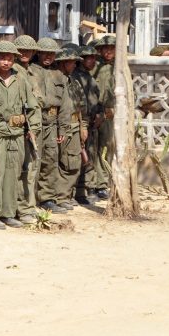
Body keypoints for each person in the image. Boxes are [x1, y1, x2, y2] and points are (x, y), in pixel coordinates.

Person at [0, 41, 40, 229]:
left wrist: (33, 128)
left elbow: (33, 106)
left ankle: (9, 212)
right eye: (2, 58)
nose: (6, 62)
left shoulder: (20, 78)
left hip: (16, 135)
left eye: (9, 58)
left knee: (13, 175)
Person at [30, 38, 69, 214]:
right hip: (36, 121)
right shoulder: (30, 71)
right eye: (44, 53)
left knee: (51, 159)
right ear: (38, 53)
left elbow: (65, 104)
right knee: (33, 161)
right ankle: (30, 199)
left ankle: (47, 197)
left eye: (51, 54)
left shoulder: (59, 74)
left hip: (52, 123)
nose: (48, 57)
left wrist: (63, 128)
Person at [13, 34, 43, 222]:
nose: (25, 53)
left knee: (32, 169)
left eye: (28, 51)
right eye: (22, 50)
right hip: (25, 127)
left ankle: (29, 205)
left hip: (36, 126)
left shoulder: (31, 72)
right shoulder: (15, 72)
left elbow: (39, 99)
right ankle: (22, 208)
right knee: (23, 170)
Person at [54, 48, 88, 209]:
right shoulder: (56, 80)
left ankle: (68, 194)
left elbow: (82, 107)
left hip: (75, 125)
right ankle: (60, 196)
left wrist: (83, 127)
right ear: (62, 63)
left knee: (74, 162)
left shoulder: (73, 82)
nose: (74, 65)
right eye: (71, 62)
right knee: (63, 162)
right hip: (62, 126)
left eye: (75, 62)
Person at [73, 44, 103, 203]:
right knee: (80, 157)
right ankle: (79, 191)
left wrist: (100, 113)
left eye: (93, 58)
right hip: (81, 123)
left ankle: (89, 187)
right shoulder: (75, 78)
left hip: (93, 123)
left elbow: (97, 100)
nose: (92, 61)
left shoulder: (90, 78)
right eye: (88, 58)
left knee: (91, 156)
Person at [93, 35, 117, 199]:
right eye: (105, 49)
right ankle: (99, 184)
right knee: (98, 148)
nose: (108, 52)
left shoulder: (119, 67)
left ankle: (109, 181)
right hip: (98, 111)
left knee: (110, 146)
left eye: (112, 48)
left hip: (114, 112)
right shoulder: (95, 67)